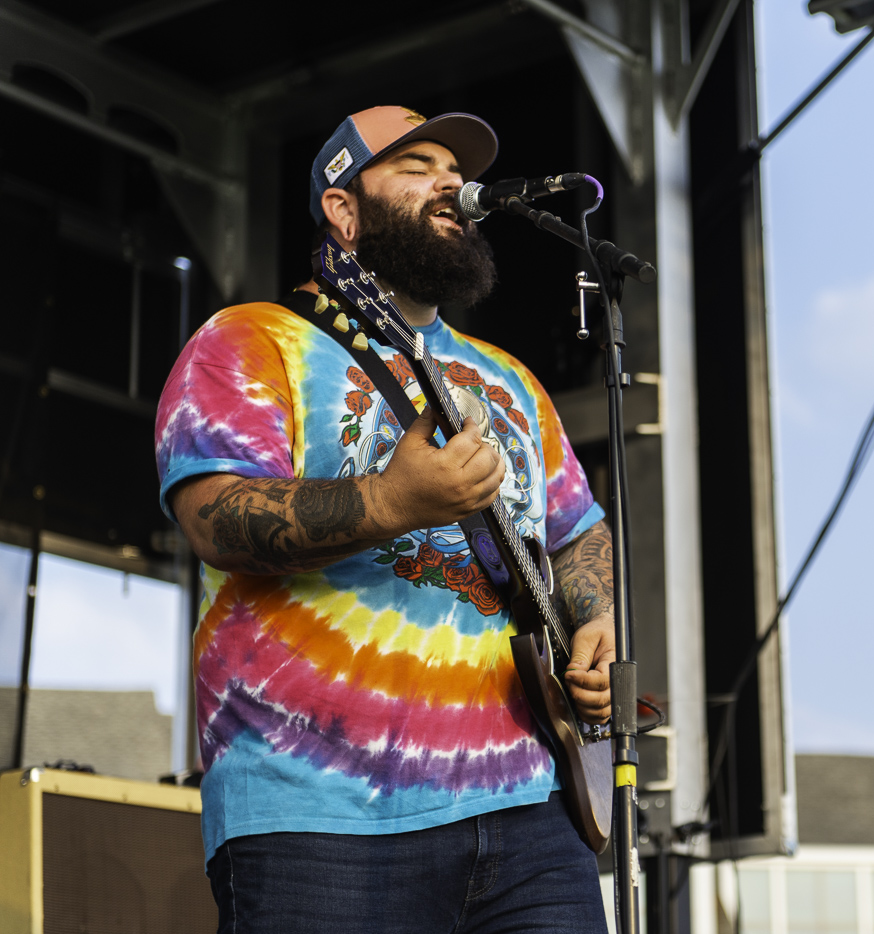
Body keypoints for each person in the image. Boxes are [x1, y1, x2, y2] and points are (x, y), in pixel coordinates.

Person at [155, 106, 613, 933]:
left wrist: (598, 619)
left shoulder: (508, 377)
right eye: (416, 165)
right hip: (318, 813)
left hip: (533, 810)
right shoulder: (252, 340)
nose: (451, 182)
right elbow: (213, 518)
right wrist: (393, 501)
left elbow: (577, 529)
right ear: (343, 210)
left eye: (454, 167)